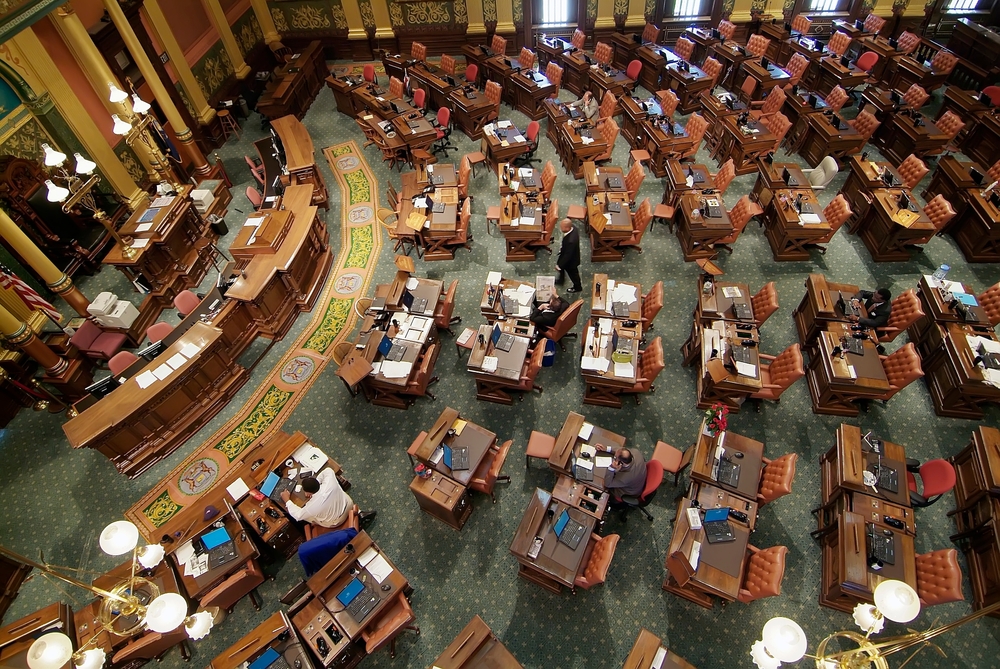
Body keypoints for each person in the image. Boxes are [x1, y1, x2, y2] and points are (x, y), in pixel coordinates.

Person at [281, 469, 376, 528]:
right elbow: (328, 470)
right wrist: (317, 481)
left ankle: (319, 525)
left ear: (308, 493)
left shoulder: (311, 506)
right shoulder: (330, 480)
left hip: (338, 520)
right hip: (349, 504)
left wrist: (287, 500)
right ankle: (358, 512)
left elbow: (298, 515)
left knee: (308, 517)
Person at [555, 218, 582, 293]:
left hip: (571, 262)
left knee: (574, 275)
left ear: (567, 228)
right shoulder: (574, 228)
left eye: (562, 227)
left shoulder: (571, 241)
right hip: (567, 253)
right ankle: (561, 280)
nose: (560, 228)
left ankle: (577, 287)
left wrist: (559, 265)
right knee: (562, 269)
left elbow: (568, 255)